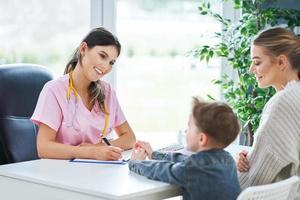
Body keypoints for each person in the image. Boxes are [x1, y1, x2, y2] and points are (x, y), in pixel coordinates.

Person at [31, 27, 136, 161]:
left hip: (99, 171)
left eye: (111, 62)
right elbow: (43, 148)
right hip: (61, 172)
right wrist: (90, 152)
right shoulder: (54, 90)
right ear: (83, 49)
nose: (106, 67)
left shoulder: (107, 92)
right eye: (102, 56)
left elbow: (130, 138)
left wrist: (99, 147)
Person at [128, 97, 241, 200]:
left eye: (189, 127)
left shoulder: (193, 168)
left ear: (202, 139)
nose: (186, 131)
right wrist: (154, 154)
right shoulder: (228, 160)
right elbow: (184, 160)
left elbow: (160, 170)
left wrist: (135, 162)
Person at [237, 27, 300, 190]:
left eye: (257, 62)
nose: (252, 69)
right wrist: (251, 157)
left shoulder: (282, 102)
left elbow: (253, 180)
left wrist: (236, 168)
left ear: (281, 62)